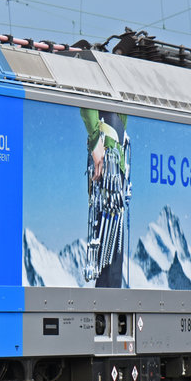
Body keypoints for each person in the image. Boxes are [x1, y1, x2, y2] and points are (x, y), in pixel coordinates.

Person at [81, 108, 130, 287]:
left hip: (115, 161)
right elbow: (88, 96)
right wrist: (95, 140)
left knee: (112, 260)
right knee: (108, 262)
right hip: (108, 160)